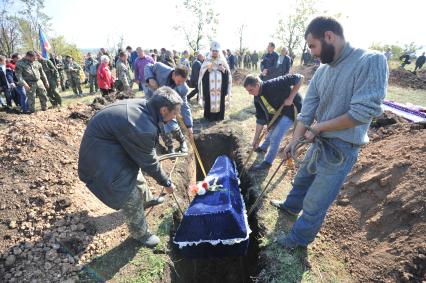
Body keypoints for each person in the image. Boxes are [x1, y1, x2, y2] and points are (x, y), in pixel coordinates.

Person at [270, 16, 387, 251]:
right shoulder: (323, 71)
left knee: (316, 200)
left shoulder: (370, 60)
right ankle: (291, 207)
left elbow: (362, 113)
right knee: (302, 178)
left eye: (313, 45)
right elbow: (307, 112)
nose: (312, 52)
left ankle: (298, 239)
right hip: (319, 141)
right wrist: (293, 142)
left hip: (342, 148)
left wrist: (319, 127)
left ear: (329, 37)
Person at [78, 87, 182, 248]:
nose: (176, 116)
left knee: (135, 172)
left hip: (110, 148)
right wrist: (166, 182)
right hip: (99, 161)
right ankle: (140, 233)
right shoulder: (142, 127)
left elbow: (144, 158)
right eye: (174, 113)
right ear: (163, 109)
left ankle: (146, 200)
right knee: (129, 191)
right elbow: (149, 162)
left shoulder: (146, 108)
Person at [244, 74, 303, 170]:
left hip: (291, 109)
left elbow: (299, 78)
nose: (250, 93)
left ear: (257, 84)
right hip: (278, 113)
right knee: (271, 129)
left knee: (275, 136)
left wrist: (290, 98)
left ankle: (267, 162)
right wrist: (256, 139)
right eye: (248, 91)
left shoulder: (274, 83)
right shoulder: (257, 98)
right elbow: (260, 119)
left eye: (251, 90)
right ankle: (263, 148)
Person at [144, 62, 192, 153]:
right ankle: (169, 146)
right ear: (174, 74)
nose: (179, 84)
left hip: (169, 106)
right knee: (160, 124)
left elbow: (185, 106)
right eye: (178, 81)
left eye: (183, 82)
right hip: (155, 100)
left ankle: (182, 142)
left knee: (172, 123)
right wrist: (150, 78)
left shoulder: (183, 88)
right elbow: (147, 66)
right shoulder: (160, 67)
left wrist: (189, 125)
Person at [199, 42, 232, 121]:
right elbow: (202, 74)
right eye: (213, 51)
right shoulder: (207, 61)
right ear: (211, 51)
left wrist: (223, 70)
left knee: (220, 102)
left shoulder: (222, 61)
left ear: (218, 52)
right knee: (209, 101)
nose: (215, 52)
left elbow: (228, 74)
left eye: (216, 51)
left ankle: (219, 117)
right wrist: (208, 71)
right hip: (210, 87)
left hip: (220, 88)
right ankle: (209, 117)